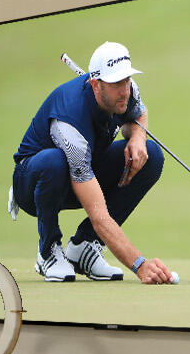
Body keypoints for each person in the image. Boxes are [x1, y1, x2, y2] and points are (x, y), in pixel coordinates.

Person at [12, 41, 175, 284]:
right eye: (116, 83)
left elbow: (139, 114)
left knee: (151, 154)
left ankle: (85, 247)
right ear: (95, 84)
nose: (125, 90)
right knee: (54, 162)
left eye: (127, 80)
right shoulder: (69, 124)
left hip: (81, 168)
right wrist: (140, 265)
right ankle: (47, 251)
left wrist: (138, 138)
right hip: (33, 183)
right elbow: (99, 214)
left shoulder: (127, 92)